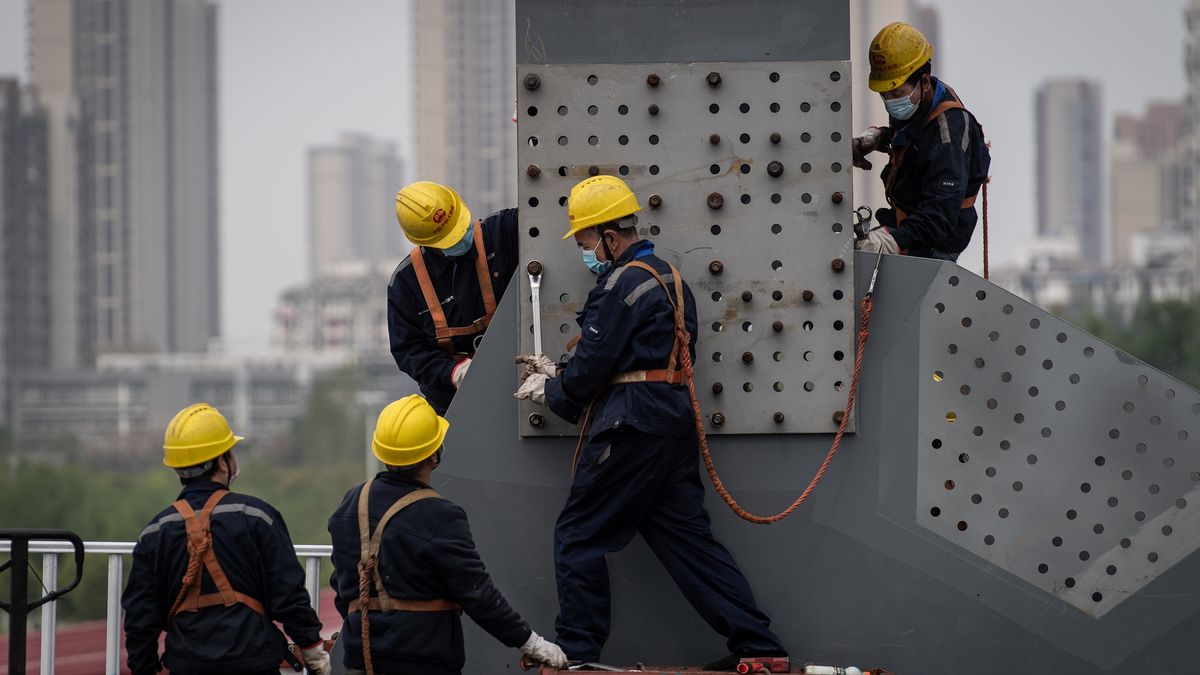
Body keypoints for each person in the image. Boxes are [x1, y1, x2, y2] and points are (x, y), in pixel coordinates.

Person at [514, 176, 788, 671]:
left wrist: (553, 386)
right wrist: (573, 374)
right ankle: (760, 646)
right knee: (687, 542)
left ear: (609, 237)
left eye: (585, 243)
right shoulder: (673, 280)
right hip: (670, 422)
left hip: (631, 425)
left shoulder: (618, 285)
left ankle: (577, 653)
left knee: (578, 534)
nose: (586, 254)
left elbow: (593, 366)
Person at [327, 394, 567, 675]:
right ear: (434, 453)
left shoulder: (350, 504)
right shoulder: (439, 514)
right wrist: (531, 643)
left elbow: (343, 586)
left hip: (360, 659)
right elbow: (477, 594)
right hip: (422, 662)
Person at [122, 403, 330, 675]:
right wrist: (312, 649)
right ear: (223, 461)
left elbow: (140, 618)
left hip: (187, 664)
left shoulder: (155, 532)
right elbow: (288, 594)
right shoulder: (257, 516)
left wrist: (145, 668)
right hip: (253, 662)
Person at [851, 21, 991, 261]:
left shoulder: (949, 135)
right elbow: (919, 141)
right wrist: (880, 137)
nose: (890, 101)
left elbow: (939, 216)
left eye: (895, 94)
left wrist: (893, 241)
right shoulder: (920, 102)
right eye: (884, 94)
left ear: (924, 82)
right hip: (907, 221)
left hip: (933, 242)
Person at [388, 181, 519, 414]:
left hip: (519, 383)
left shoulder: (503, 233)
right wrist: (452, 371)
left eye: (461, 226)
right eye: (451, 237)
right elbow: (408, 351)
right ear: (425, 242)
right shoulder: (406, 284)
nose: (462, 237)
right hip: (454, 405)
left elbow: (546, 219)